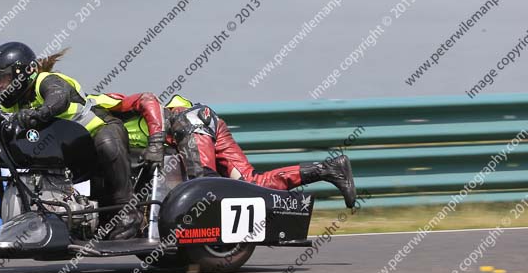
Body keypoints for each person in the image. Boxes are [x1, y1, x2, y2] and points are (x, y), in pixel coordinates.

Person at [88, 92, 357, 209]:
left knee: (203, 186)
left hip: (188, 123)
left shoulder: (94, 104)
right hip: (202, 124)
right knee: (253, 183)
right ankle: (328, 169)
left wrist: (156, 143)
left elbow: (149, 100)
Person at [0, 43, 142, 239]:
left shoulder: (46, 80)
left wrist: (39, 113)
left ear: (22, 74)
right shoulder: (13, 104)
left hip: (98, 130)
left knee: (107, 143)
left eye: (3, 78)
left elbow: (58, 99)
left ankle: (129, 214)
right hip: (72, 148)